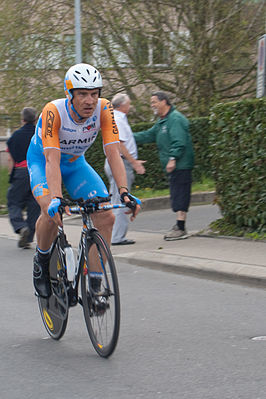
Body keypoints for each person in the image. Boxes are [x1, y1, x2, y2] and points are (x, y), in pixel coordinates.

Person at [27, 63, 141, 298]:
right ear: (70, 94)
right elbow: (51, 160)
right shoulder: (53, 111)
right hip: (43, 162)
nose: (89, 100)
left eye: (94, 93)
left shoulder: (104, 109)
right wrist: (57, 198)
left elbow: (113, 152)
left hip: (75, 165)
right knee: (51, 212)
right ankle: (42, 259)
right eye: (82, 94)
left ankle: (96, 284)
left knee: (106, 215)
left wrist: (124, 192)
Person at [134, 92, 194, 240]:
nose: (152, 105)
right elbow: (148, 135)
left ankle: (180, 228)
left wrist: (173, 158)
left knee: (180, 195)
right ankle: (180, 226)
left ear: (164, 102)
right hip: (175, 166)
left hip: (181, 165)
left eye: (154, 102)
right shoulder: (163, 121)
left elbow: (179, 141)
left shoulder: (175, 119)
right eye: (151, 103)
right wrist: (125, 136)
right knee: (176, 194)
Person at [104, 93, 146, 245]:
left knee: (116, 196)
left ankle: (115, 235)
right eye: (129, 104)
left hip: (118, 162)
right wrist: (134, 162)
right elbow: (120, 145)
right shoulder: (118, 119)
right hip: (120, 164)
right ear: (123, 105)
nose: (130, 106)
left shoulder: (116, 118)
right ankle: (116, 237)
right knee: (120, 198)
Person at [6, 107, 40, 249]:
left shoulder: (15, 136)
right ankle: (28, 237)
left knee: (13, 201)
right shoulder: (40, 135)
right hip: (38, 173)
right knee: (34, 205)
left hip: (21, 171)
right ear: (36, 119)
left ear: (23, 119)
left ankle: (21, 227)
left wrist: (11, 174)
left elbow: (10, 159)